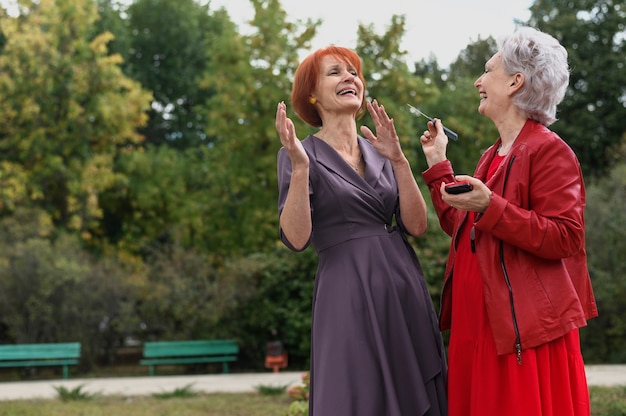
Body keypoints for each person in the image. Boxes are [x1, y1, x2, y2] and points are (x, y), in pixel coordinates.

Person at [419, 27, 598, 416]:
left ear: (516, 82)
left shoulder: (550, 151)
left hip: (520, 334)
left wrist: (492, 206)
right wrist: (438, 166)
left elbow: (566, 238)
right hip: (477, 325)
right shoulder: (491, 155)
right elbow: (465, 228)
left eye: (488, 71)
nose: (478, 81)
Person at [276, 45, 447, 416]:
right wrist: (301, 169)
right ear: (311, 93)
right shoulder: (299, 154)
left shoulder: (380, 151)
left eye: (353, 71)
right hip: (347, 291)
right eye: (335, 72)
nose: (350, 77)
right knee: (358, 391)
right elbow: (296, 238)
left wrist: (399, 159)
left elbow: (416, 226)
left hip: (401, 285)